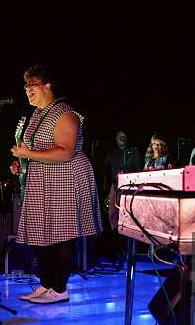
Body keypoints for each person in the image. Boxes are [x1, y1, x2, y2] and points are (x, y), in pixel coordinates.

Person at [10, 64, 102, 304]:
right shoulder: (38, 113)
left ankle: (60, 289)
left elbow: (65, 152)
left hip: (66, 177)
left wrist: (28, 155)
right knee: (41, 235)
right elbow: (35, 150)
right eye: (26, 86)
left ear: (48, 86)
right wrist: (23, 163)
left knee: (61, 235)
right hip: (42, 179)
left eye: (33, 85)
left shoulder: (65, 113)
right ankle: (46, 284)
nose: (28, 90)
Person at [104, 130, 142, 230]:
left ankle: (129, 230)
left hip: (130, 187)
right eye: (120, 137)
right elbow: (106, 171)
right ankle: (116, 233)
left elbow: (139, 169)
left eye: (124, 137)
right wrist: (107, 189)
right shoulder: (111, 153)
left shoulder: (134, 152)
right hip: (115, 186)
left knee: (128, 213)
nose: (123, 138)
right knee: (113, 213)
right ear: (116, 139)